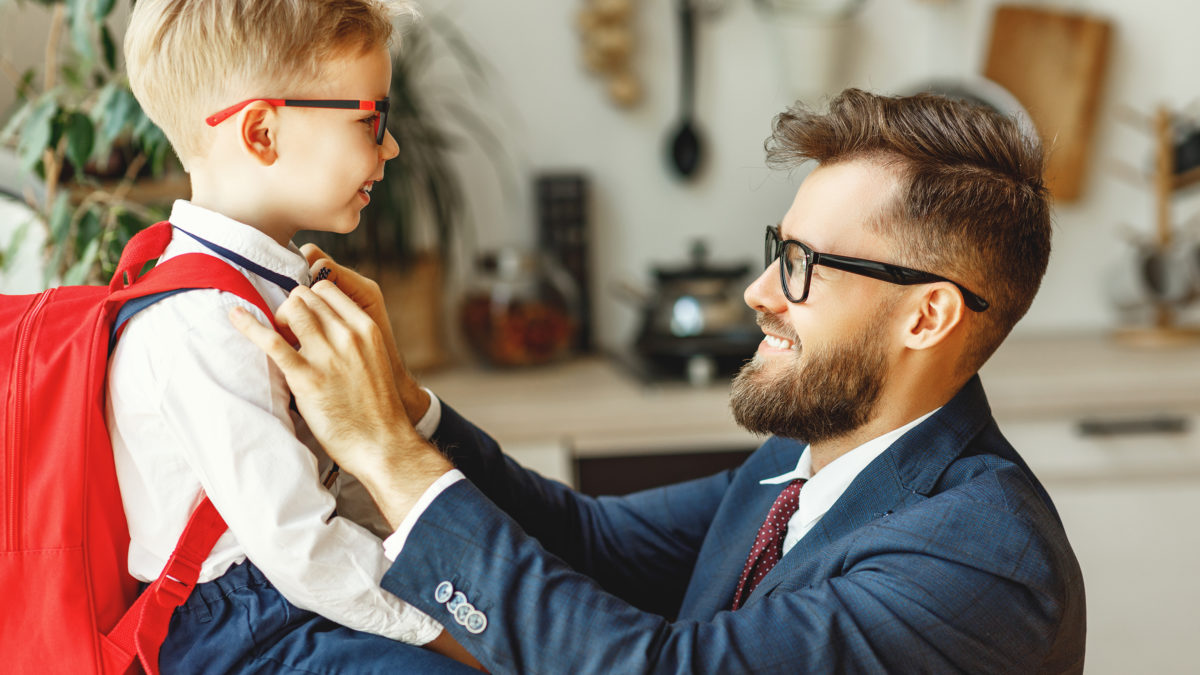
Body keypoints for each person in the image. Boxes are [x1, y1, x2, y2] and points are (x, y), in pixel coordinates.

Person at [235, 88, 1087, 673]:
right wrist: (408, 406)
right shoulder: (810, 455)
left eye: (804, 265)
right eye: (777, 249)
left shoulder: (979, 559)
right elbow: (596, 543)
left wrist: (386, 455)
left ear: (927, 316)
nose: (759, 292)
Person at [111, 0, 479, 671]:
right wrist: (459, 634)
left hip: (294, 596)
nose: (392, 146)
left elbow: (337, 489)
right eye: (371, 120)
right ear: (262, 133)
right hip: (245, 624)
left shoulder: (264, 287)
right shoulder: (204, 322)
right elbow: (303, 549)